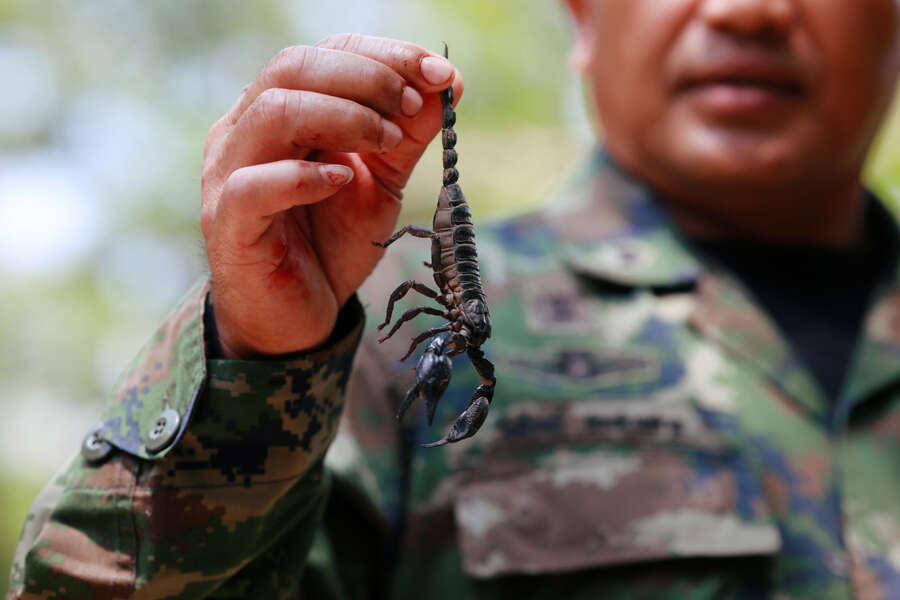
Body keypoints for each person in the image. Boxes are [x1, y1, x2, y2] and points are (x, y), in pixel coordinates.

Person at [9, 0, 900, 598]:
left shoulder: (434, 334)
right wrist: (260, 361)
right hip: (448, 264)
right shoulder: (355, 328)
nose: (746, 10)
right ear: (583, 17)